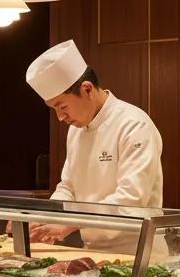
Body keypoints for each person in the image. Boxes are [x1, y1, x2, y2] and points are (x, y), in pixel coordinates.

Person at [24, 40, 163, 244]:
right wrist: (43, 218)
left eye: (62, 106)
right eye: (54, 109)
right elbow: (68, 187)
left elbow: (131, 199)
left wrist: (70, 223)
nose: (60, 117)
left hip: (138, 250)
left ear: (87, 89)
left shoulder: (134, 124)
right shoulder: (76, 130)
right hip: (93, 249)